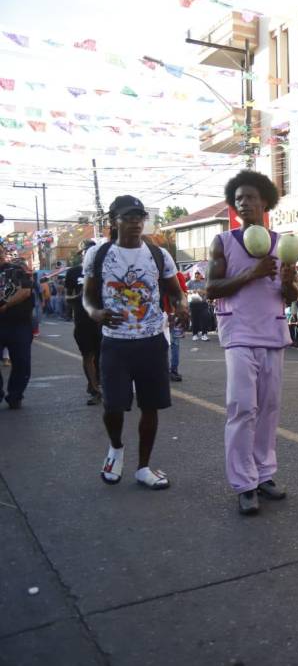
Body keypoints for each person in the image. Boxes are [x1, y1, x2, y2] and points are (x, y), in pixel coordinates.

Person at [206, 170, 298, 515]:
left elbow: (289, 295)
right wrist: (251, 273)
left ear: (265, 202)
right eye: (239, 198)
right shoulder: (224, 242)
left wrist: (289, 283)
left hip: (273, 333)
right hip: (239, 334)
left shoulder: (282, 242)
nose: (244, 203)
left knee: (269, 409)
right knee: (242, 407)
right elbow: (210, 289)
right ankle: (244, 483)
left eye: (251, 197)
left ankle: (264, 475)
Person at [83, 195, 188, 490]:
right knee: (113, 406)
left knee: (150, 406)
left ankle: (143, 467)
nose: (135, 223)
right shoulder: (99, 255)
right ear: (114, 221)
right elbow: (88, 297)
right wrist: (95, 312)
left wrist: (181, 306)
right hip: (115, 343)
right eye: (128, 218)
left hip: (152, 341)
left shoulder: (158, 255)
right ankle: (116, 448)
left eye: (139, 217)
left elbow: (176, 291)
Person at [64, 240, 103, 405]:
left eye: (91, 250)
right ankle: (95, 390)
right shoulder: (73, 272)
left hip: (103, 320)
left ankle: (99, 384)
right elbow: (67, 297)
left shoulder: (104, 270)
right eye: (85, 251)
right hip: (82, 321)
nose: (88, 253)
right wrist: (78, 297)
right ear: (81, 254)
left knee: (102, 357)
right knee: (88, 355)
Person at [0, 244, 34, 409]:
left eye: (0, 251)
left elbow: (25, 291)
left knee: (22, 362)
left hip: (18, 324)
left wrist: (5, 304)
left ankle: (15, 395)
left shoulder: (15, 270)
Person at [166, 269, 188, 382]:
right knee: (170, 344)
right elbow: (183, 294)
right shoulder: (178, 275)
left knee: (172, 343)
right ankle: (170, 371)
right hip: (164, 314)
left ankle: (172, 371)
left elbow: (183, 294)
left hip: (171, 314)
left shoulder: (178, 275)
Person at [187, 270, 212, 341]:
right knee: (194, 319)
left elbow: (208, 291)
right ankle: (195, 334)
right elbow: (185, 291)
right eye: (196, 274)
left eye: (198, 274)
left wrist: (202, 292)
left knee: (205, 318)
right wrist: (192, 291)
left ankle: (204, 334)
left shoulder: (204, 283)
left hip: (203, 303)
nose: (197, 275)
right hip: (193, 303)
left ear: (201, 275)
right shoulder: (190, 282)